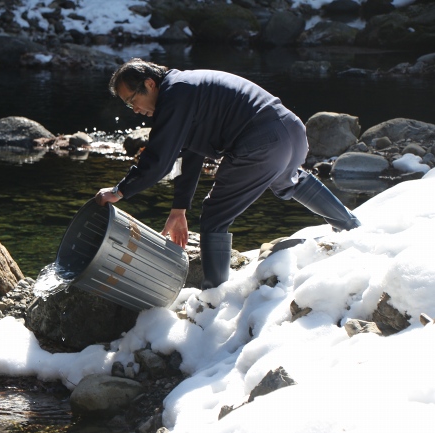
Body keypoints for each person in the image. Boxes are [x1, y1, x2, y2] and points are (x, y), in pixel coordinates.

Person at [95, 58, 360, 290]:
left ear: (150, 84)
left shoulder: (174, 95)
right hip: (290, 130)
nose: (136, 110)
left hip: (262, 140)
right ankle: (351, 228)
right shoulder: (186, 89)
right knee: (288, 181)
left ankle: (214, 295)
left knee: (214, 216)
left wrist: (120, 191)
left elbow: (159, 160)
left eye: (133, 101)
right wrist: (179, 209)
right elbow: (192, 153)